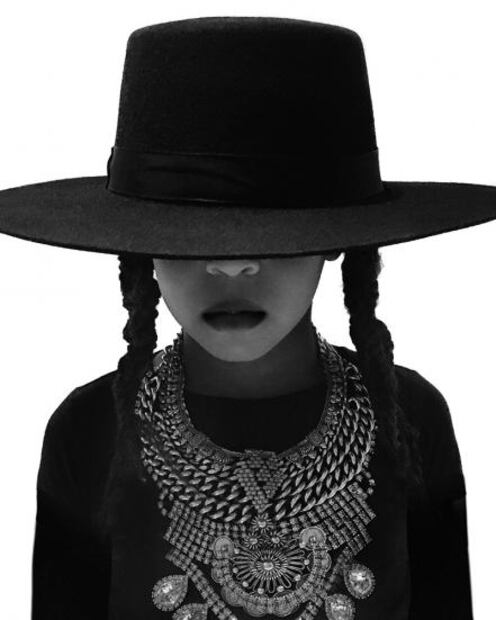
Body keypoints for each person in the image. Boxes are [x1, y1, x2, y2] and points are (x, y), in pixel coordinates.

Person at [0, 15, 492, 620]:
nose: (232, 265)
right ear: (138, 247)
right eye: (188, 237)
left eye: (275, 235)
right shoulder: (91, 430)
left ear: (339, 239)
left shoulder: (408, 419)